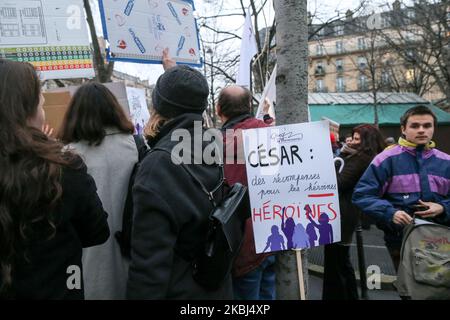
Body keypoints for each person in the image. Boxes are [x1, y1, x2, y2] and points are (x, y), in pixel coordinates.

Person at [126, 50, 232, 299]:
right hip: (216, 288)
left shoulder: (158, 166)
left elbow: (148, 269)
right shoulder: (213, 144)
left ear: (158, 106)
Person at [0, 59, 110, 299]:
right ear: (25, 111)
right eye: (40, 102)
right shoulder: (63, 168)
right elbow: (97, 231)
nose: (44, 109)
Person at [58, 82, 140, 300]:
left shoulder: (64, 157)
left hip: (84, 265)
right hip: (132, 257)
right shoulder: (137, 147)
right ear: (114, 109)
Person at [353, 106, 450, 273]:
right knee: (410, 290)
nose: (421, 130)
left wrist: (443, 207)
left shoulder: (446, 161)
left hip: (442, 238)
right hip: (401, 239)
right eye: (415, 126)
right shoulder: (386, 159)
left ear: (434, 128)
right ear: (403, 129)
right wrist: (391, 213)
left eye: (427, 126)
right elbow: (362, 195)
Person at [216, 85, 276, 300]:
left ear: (218, 109)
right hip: (275, 236)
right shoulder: (272, 133)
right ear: (249, 106)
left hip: (244, 244)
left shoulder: (219, 144)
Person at [322, 124, 385, 300]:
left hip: (343, 213)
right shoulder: (361, 156)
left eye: (358, 139)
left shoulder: (362, 158)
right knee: (341, 262)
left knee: (337, 263)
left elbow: (339, 183)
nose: (353, 142)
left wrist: (335, 161)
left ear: (367, 141)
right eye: (353, 138)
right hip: (344, 212)